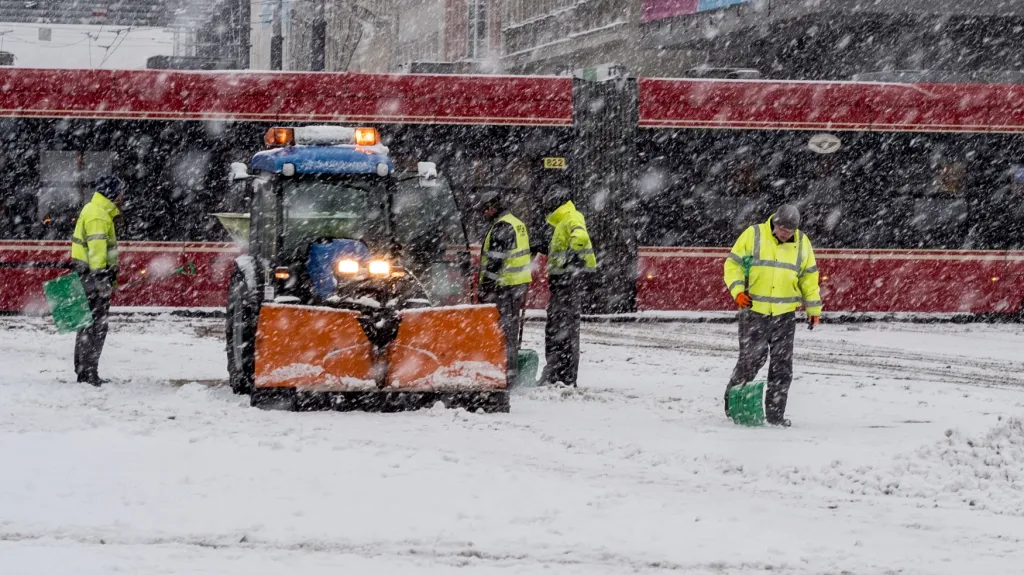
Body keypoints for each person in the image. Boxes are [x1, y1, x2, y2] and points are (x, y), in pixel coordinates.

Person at [722, 204, 822, 426]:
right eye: (782, 229)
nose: (785, 234)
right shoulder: (754, 234)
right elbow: (733, 265)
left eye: (790, 231)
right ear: (774, 223)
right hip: (754, 312)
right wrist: (738, 292)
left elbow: (809, 277)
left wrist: (813, 308)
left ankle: (776, 415)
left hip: (785, 315)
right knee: (751, 361)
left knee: (782, 366)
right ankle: (732, 403)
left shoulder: (802, 243)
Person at [537, 187, 597, 387]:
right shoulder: (565, 220)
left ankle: (563, 376)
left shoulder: (571, 217)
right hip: (564, 283)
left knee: (563, 330)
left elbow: (579, 239)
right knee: (558, 328)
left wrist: (569, 266)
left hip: (567, 283)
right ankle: (557, 374)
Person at [71, 176, 125, 386]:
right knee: (96, 326)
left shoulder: (96, 210)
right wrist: (102, 276)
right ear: (112, 193)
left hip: (89, 275)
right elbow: (97, 250)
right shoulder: (99, 216)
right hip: (93, 277)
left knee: (87, 324)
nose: (122, 196)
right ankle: (88, 373)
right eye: (120, 192)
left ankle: (83, 370)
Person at [477, 190, 532, 387]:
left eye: (485, 210)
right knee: (510, 332)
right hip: (517, 285)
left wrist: (485, 287)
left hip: (504, 287)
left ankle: (506, 377)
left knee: (503, 333)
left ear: (492, 208)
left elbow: (495, 262)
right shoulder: (516, 223)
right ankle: (510, 374)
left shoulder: (502, 227)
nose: (483, 214)